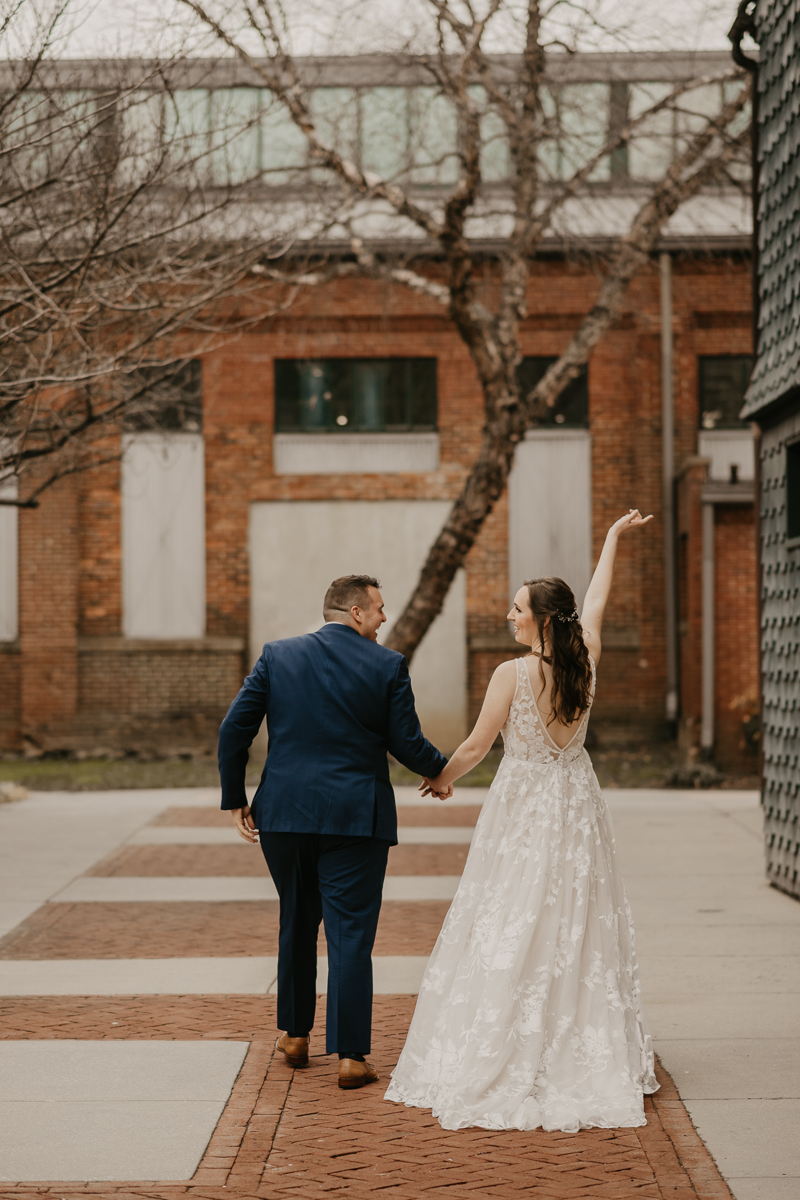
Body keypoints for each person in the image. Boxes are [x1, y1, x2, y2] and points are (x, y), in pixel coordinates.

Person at [385, 510, 659, 1131]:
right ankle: (575, 1032)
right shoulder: (584, 657)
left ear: (539, 618)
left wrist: (440, 777)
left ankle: (511, 1038)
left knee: (510, 911)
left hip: (523, 805)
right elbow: (597, 599)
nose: (509, 616)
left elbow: (479, 746)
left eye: (517, 608)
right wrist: (612, 539)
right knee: (575, 917)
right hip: (577, 800)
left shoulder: (512, 673)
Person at [218, 574, 449, 1090]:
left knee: (296, 920)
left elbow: (234, 727)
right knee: (350, 935)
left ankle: (295, 1036)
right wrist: (441, 772)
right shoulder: (387, 666)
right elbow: (407, 743)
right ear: (356, 612)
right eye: (380, 609)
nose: (386, 618)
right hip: (356, 818)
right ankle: (350, 1056)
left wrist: (235, 797)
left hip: (284, 813)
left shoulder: (278, 657)